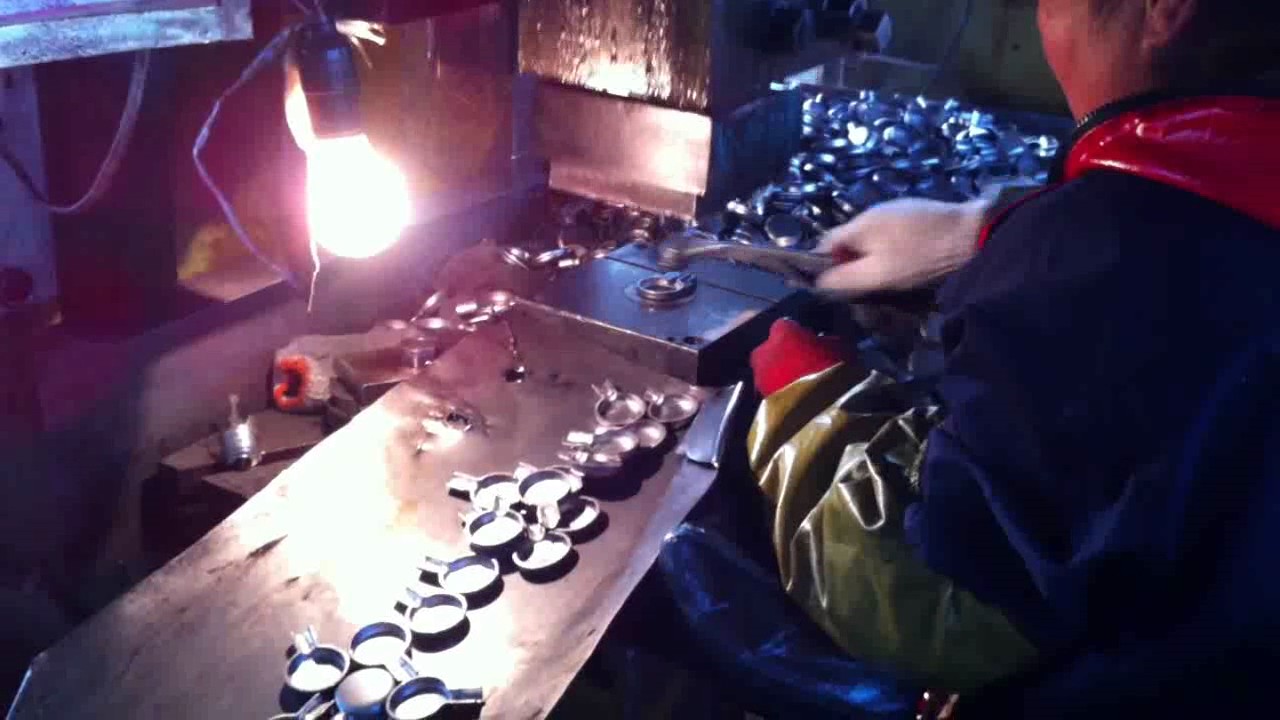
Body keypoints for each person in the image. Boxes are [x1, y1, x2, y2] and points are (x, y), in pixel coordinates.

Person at [746, 0, 1280, 715]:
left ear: (1166, 10)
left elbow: (939, 606)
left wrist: (809, 397)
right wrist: (992, 232)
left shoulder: (1093, 269)